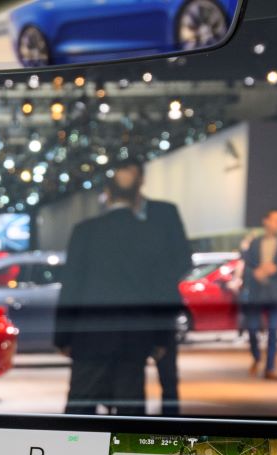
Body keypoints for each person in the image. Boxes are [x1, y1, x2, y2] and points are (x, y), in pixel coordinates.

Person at [56, 157, 191, 415]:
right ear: (137, 193)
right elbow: (161, 284)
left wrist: (63, 335)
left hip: (91, 334)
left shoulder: (85, 231)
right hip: (134, 333)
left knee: (81, 408)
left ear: (106, 195)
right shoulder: (150, 233)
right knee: (130, 407)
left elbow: (72, 285)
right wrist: (161, 334)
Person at [239, 209, 277, 381]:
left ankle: (270, 367)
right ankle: (256, 357)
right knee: (252, 328)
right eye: (276, 220)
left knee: (273, 331)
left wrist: (276, 269)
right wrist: (255, 273)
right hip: (256, 293)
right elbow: (247, 266)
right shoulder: (255, 242)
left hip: (276, 294)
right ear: (266, 221)